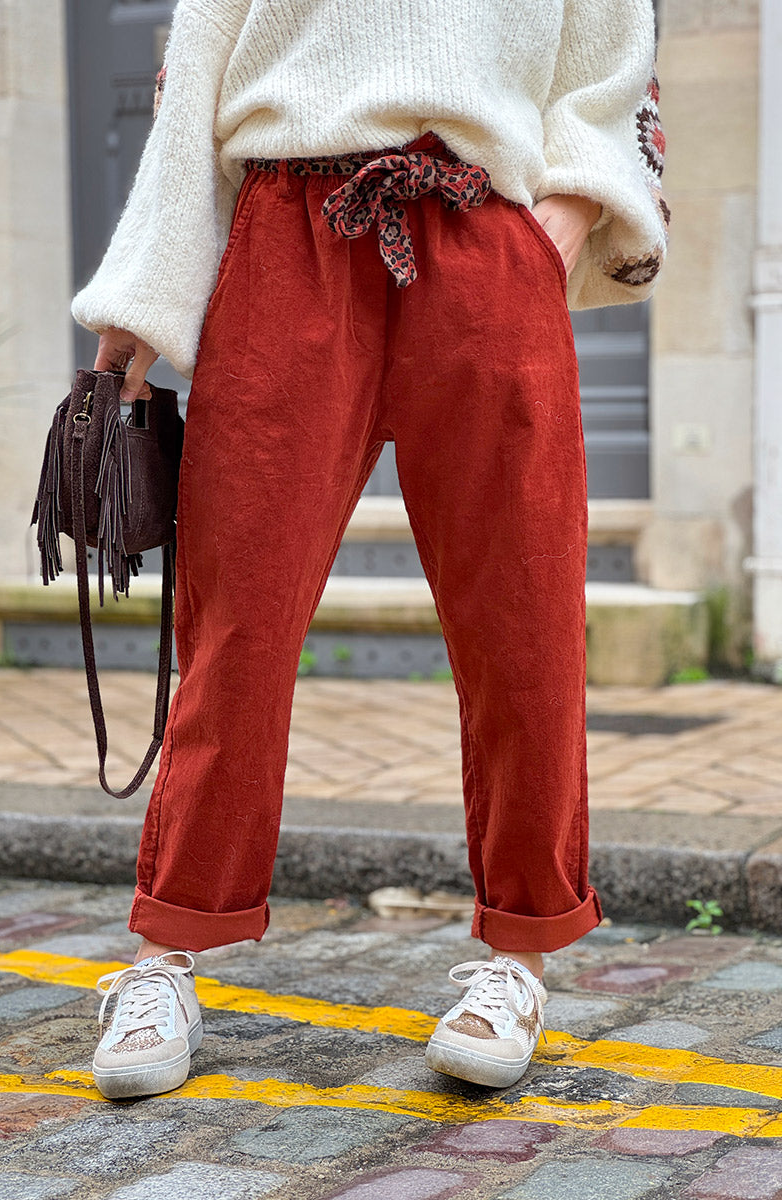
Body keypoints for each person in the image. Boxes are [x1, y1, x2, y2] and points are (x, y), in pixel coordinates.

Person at [72, 0, 669, 1100]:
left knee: (523, 623)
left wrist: (553, 233)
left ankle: (516, 957)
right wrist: (147, 297)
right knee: (237, 616)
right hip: (282, 244)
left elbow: (607, 77)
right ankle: (166, 951)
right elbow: (193, 84)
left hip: (486, 242)